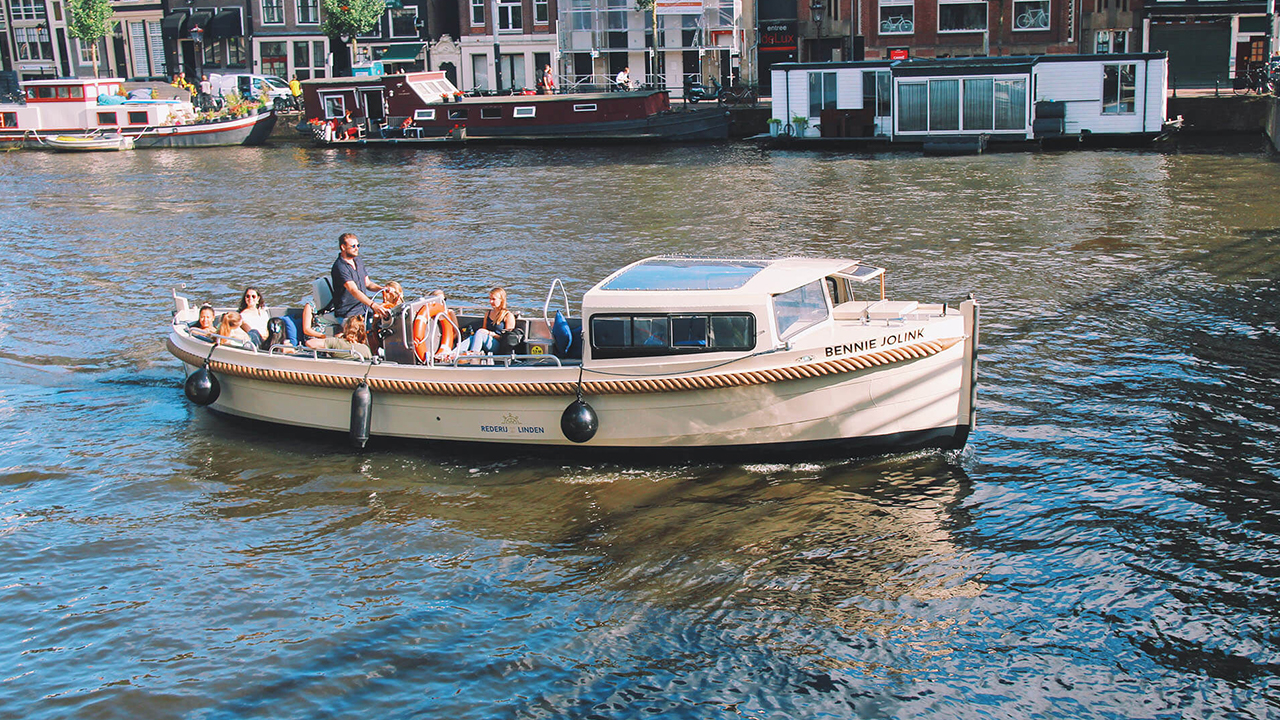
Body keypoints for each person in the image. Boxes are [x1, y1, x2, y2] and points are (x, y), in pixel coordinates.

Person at [330, 232, 387, 323]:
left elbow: (368, 284)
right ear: (343, 247)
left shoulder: (358, 261)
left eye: (358, 245)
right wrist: (373, 305)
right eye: (353, 246)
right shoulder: (340, 267)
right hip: (349, 313)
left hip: (364, 308)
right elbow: (353, 290)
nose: (356, 248)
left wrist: (382, 289)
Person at [466, 286, 516, 355]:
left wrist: (490, 333)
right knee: (472, 337)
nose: (491, 302)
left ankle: (473, 355)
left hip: (499, 345)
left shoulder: (508, 316)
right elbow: (483, 330)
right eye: (490, 299)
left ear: (501, 300)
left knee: (480, 333)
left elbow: (507, 340)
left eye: (493, 299)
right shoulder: (488, 314)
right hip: (486, 341)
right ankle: (453, 354)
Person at [306, 315, 371, 359]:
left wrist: (331, 338)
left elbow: (310, 343)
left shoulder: (336, 342)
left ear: (345, 327)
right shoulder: (366, 349)